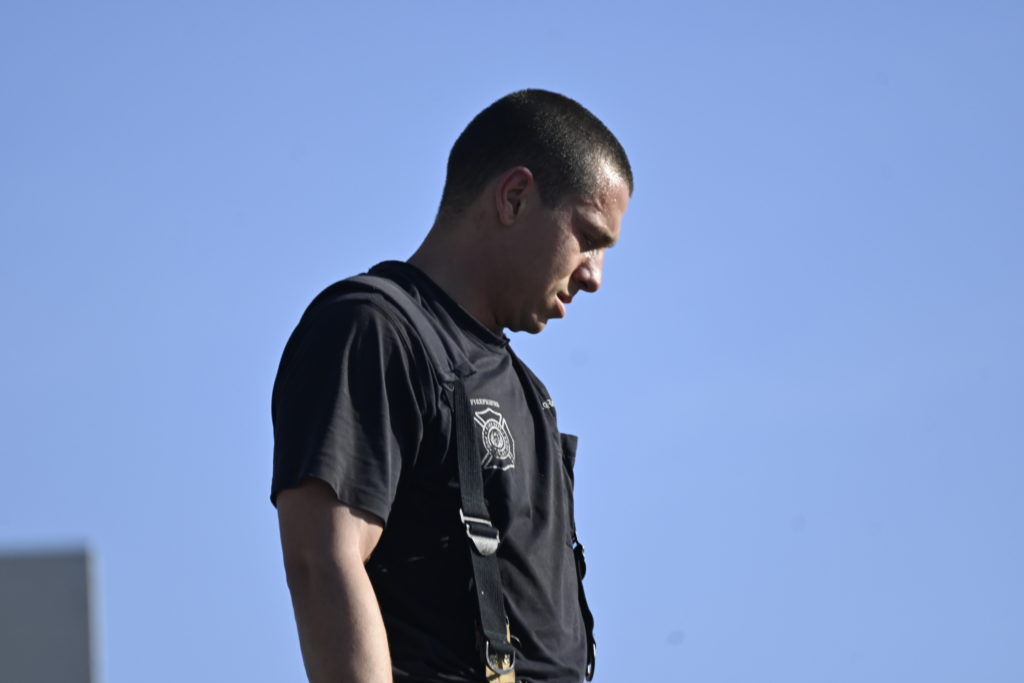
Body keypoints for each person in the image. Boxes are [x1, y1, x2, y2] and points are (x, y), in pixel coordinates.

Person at [271, 89, 632, 683]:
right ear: (514, 197)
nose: (594, 275)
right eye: (589, 237)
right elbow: (323, 560)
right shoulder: (375, 329)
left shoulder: (529, 392)